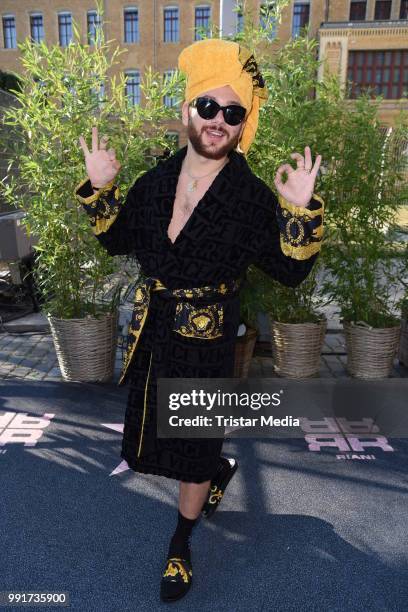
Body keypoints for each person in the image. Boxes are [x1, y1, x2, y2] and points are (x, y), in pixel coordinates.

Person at [74, 38, 324, 603]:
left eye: (233, 113)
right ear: (189, 110)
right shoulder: (155, 182)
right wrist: (101, 187)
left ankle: (181, 544)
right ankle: (217, 468)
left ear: (242, 126)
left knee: (191, 444)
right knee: (156, 440)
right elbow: (117, 239)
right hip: (156, 331)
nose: (218, 121)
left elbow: (289, 274)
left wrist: (299, 212)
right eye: (208, 107)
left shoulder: (251, 197)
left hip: (209, 343)